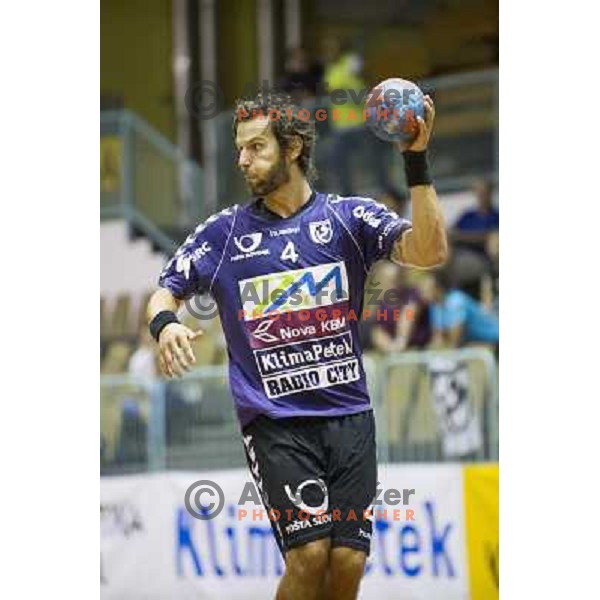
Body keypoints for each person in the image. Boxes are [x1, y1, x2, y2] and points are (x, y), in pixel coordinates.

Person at [146, 91, 447, 600]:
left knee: (347, 563)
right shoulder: (224, 234)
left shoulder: (349, 219)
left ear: (293, 148)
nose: (242, 160)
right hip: (275, 422)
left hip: (349, 415)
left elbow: (430, 250)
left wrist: (414, 160)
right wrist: (166, 325)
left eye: (257, 147)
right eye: (240, 149)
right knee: (308, 557)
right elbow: (164, 291)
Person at [422, 270, 499, 349]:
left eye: (426, 288)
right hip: (474, 342)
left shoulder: (456, 301)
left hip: (494, 340)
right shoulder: (435, 306)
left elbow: (455, 340)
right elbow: (438, 337)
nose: (423, 292)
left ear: (438, 289)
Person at [366, 261, 431, 353]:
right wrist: (390, 347)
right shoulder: (383, 302)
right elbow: (377, 330)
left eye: (394, 280)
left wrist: (401, 341)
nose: (391, 284)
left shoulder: (412, 295)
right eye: (386, 280)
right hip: (391, 349)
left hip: (414, 348)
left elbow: (408, 317)